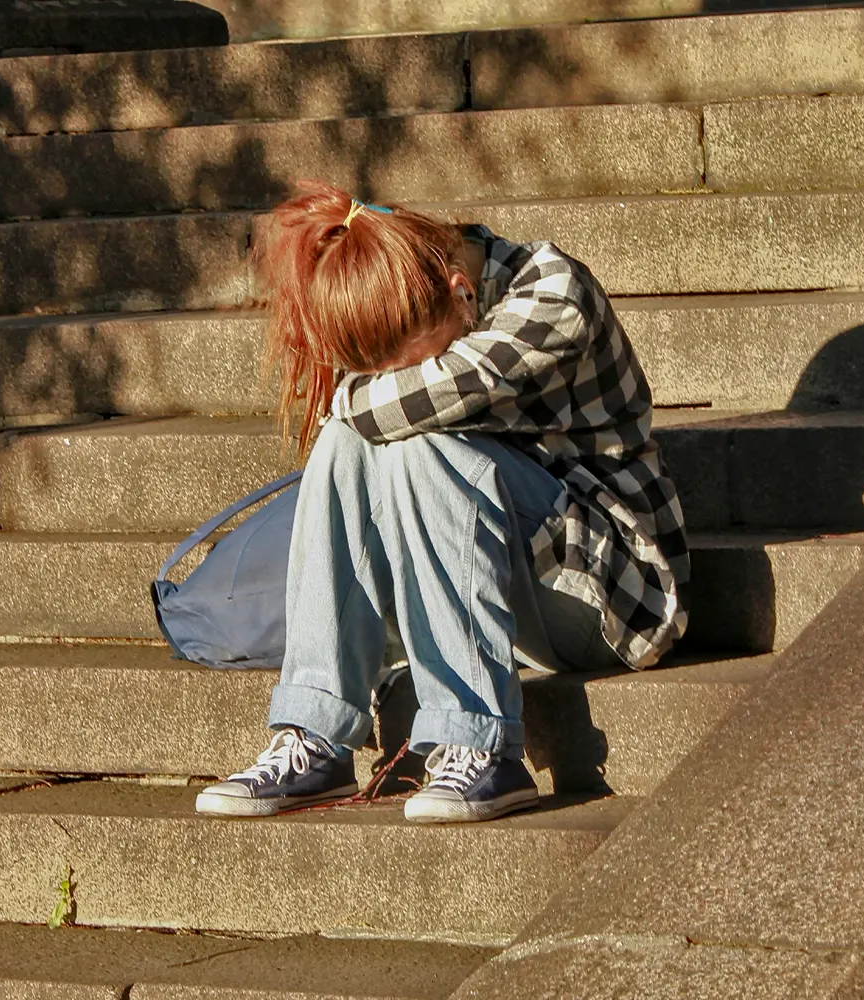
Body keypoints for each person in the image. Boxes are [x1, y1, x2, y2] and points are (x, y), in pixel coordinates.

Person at [194, 183, 688, 824]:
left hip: (614, 594)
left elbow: (387, 405)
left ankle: (479, 745)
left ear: (461, 289)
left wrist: (353, 400)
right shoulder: (423, 294)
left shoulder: (552, 294)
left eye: (416, 361)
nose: (397, 377)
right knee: (362, 441)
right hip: (509, 588)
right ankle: (316, 730)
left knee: (409, 439)